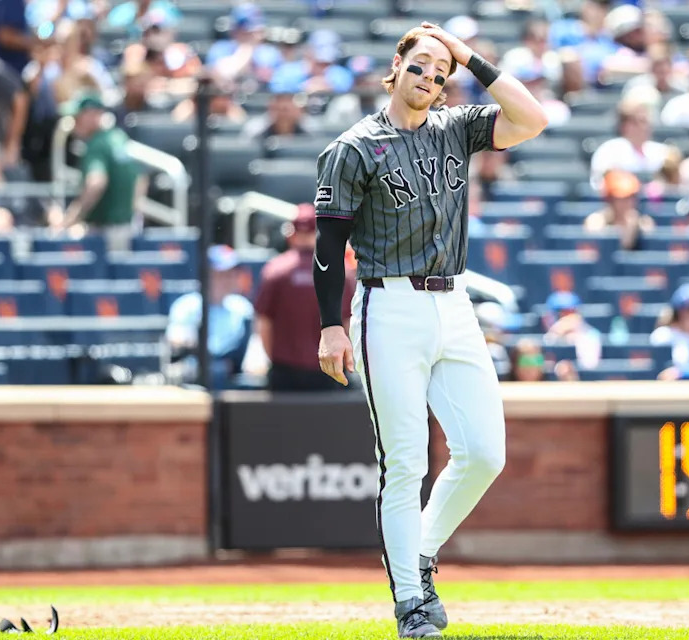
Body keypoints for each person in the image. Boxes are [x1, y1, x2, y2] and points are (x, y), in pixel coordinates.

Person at [311, 22, 547, 638]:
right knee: (406, 461)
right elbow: (329, 247)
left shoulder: (455, 126)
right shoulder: (354, 146)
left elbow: (533, 117)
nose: (429, 78)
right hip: (387, 305)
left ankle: (417, 552)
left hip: (454, 302)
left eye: (440, 72)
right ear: (397, 67)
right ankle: (411, 604)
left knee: (485, 453)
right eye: (420, 65)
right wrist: (330, 326)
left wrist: (467, 54)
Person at [254, 204, 356, 391]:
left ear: (291, 233)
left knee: (284, 421)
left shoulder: (275, 270)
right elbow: (348, 323)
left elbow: (263, 324)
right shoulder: (341, 270)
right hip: (329, 370)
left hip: (285, 374)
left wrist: (275, 360)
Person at [52, 92, 142, 251]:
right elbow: (140, 179)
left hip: (104, 233)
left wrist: (73, 217)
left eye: (77, 116)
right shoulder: (118, 137)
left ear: (91, 115)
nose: (74, 122)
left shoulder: (97, 145)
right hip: (127, 228)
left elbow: (96, 183)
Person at [165, 245, 254, 390]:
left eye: (230, 274)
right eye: (220, 274)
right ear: (206, 275)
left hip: (232, 377)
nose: (226, 280)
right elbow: (175, 338)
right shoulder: (187, 304)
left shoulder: (243, 307)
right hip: (195, 374)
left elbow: (253, 348)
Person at [589, 97, 668, 188]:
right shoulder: (608, 151)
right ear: (625, 125)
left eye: (647, 121)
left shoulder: (662, 152)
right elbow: (600, 186)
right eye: (641, 121)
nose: (646, 126)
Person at [583, 169, 654, 250]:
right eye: (621, 199)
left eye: (631, 197)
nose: (627, 203)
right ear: (610, 200)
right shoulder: (596, 221)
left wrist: (632, 229)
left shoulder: (643, 223)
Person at [541, 291, 602, 369]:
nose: (565, 317)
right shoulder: (548, 337)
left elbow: (590, 367)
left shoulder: (590, 334)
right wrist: (556, 334)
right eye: (561, 313)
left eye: (570, 312)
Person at [0, 0, 34, 76]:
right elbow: (4, 36)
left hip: (1, 71)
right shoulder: (12, 2)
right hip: (3, 71)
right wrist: (34, 45)